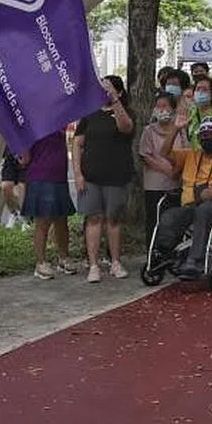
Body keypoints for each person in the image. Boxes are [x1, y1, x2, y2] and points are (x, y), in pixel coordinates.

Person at [153, 115, 212, 279]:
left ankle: (195, 260)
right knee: (170, 216)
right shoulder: (190, 155)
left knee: (203, 212)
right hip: (191, 203)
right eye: (204, 135)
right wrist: (176, 128)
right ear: (199, 138)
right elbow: (163, 152)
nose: (208, 139)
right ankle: (165, 254)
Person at [73, 75, 135, 283]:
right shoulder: (89, 114)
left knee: (113, 219)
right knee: (93, 218)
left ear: (119, 91)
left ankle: (115, 261)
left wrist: (115, 101)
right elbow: (77, 144)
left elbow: (126, 128)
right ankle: (93, 265)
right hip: (91, 176)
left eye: (108, 89)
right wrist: (78, 174)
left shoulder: (126, 111)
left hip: (117, 175)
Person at [25, 129, 78, 280]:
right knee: (43, 219)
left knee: (62, 218)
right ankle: (41, 262)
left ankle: (63, 257)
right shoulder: (32, 124)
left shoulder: (59, 122)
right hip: (40, 174)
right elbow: (24, 157)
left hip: (59, 175)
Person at [139, 92, 183, 237]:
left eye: (165, 106)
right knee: (154, 221)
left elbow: (185, 153)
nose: (161, 109)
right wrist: (167, 170)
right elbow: (145, 156)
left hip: (176, 185)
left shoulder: (180, 130)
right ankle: (153, 249)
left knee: (174, 222)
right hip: (154, 186)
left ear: (173, 109)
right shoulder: (149, 130)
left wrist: (176, 170)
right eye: (158, 106)